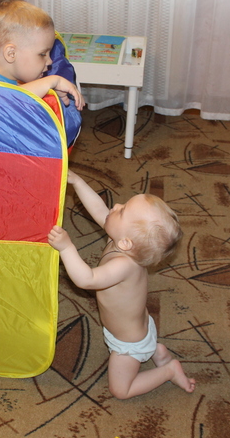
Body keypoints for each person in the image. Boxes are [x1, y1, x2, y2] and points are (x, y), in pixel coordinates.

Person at [47, 170, 196, 399]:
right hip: (137, 324)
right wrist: (77, 182)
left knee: (120, 390)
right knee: (147, 345)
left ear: (126, 243)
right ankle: (158, 352)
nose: (116, 205)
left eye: (123, 210)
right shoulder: (122, 240)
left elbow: (86, 279)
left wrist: (67, 248)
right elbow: (100, 211)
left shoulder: (124, 265)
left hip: (128, 342)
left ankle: (168, 370)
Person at [0, 0, 85, 111]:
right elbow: (10, 99)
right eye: (42, 54)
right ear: (11, 54)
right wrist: (53, 81)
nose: (50, 61)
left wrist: (49, 91)